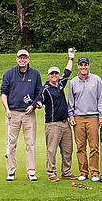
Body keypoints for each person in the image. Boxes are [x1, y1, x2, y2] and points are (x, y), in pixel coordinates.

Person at [33, 48, 76, 181]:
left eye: (56, 74)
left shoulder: (60, 84)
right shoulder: (45, 88)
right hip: (53, 125)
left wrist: (71, 58)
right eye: (52, 74)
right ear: (48, 75)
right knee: (52, 150)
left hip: (65, 123)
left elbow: (68, 72)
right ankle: (51, 173)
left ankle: (66, 172)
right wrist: (39, 104)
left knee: (68, 150)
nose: (54, 76)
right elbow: (39, 98)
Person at [0, 49, 43, 181]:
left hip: (28, 113)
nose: (22, 60)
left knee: (30, 143)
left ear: (28, 59)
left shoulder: (35, 74)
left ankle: (31, 172)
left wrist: (35, 105)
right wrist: (7, 109)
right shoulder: (9, 74)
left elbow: (39, 92)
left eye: (25, 58)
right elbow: (3, 94)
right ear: (16, 59)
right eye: (20, 58)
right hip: (12, 112)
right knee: (11, 142)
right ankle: (11, 171)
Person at [67, 56, 102, 181]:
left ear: (89, 66)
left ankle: (94, 172)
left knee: (94, 146)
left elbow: (101, 98)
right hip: (78, 117)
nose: (83, 67)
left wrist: (101, 115)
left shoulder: (97, 79)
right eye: (81, 65)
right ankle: (83, 172)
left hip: (93, 117)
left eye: (85, 65)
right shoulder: (73, 82)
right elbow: (70, 101)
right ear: (78, 66)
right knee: (80, 146)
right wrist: (71, 115)